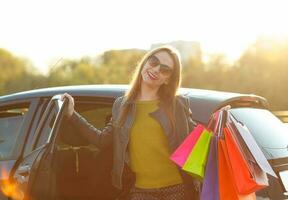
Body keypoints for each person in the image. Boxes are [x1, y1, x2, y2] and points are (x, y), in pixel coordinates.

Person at [62, 46, 200, 200]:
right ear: (145, 62)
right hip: (140, 192)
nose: (155, 69)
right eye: (153, 61)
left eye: (164, 69)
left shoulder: (177, 105)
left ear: (168, 79)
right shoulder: (121, 106)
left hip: (178, 190)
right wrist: (71, 114)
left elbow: (198, 144)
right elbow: (101, 140)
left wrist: (222, 120)